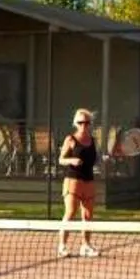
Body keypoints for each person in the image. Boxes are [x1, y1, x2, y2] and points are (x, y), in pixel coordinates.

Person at [56, 108, 105, 258]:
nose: (84, 125)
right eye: (81, 122)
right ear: (76, 123)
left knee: (88, 215)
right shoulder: (70, 139)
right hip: (73, 181)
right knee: (70, 212)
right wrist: (71, 160)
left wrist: (103, 160)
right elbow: (61, 159)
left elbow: (94, 160)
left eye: (87, 123)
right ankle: (62, 246)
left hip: (89, 181)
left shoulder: (93, 140)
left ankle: (86, 245)